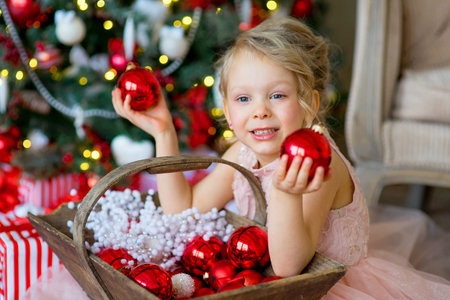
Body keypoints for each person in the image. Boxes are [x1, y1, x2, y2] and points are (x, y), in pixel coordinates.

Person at [112, 17, 450, 299]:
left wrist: (285, 192)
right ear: (228, 113)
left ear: (310, 105)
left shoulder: (319, 164)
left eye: (277, 95)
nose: (260, 111)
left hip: (321, 288)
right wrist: (164, 132)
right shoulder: (242, 153)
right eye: (244, 99)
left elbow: (289, 266)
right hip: (262, 282)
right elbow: (182, 213)